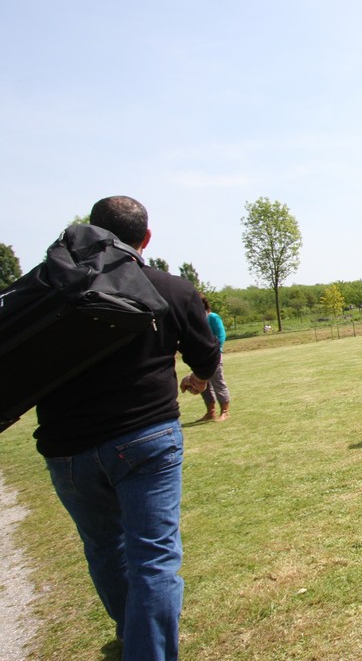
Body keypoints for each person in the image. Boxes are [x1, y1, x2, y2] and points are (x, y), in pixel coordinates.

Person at [32, 196, 221, 660]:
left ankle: (131, 633)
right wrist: (199, 380)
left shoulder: (48, 288)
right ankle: (146, 647)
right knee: (153, 557)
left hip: (66, 446)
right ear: (146, 238)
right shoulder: (169, 287)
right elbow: (206, 353)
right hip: (145, 437)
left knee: (103, 548)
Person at [197, 292, 232, 422]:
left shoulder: (213, 317)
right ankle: (210, 412)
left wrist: (216, 350)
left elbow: (221, 335)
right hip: (199, 356)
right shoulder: (195, 319)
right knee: (204, 385)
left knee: (218, 382)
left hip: (213, 355)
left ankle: (225, 411)